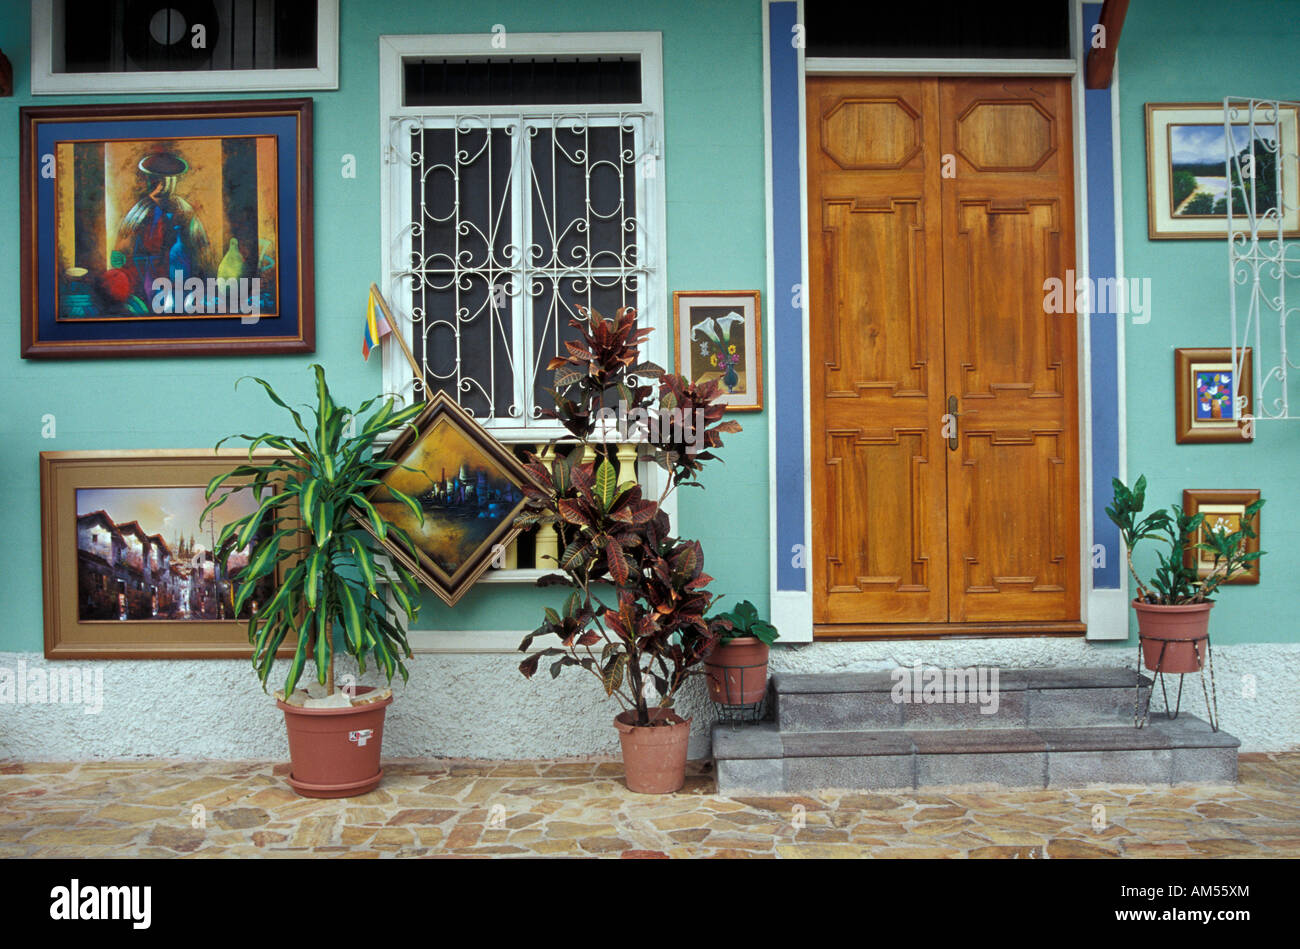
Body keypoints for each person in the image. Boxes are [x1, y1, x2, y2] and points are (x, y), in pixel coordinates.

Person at [113, 150, 214, 309]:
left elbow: (201, 249)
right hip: (148, 281)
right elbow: (122, 251)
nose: (162, 185)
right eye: (157, 179)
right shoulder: (139, 213)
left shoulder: (184, 211)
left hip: (181, 281)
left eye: (167, 179)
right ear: (148, 180)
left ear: (175, 180)